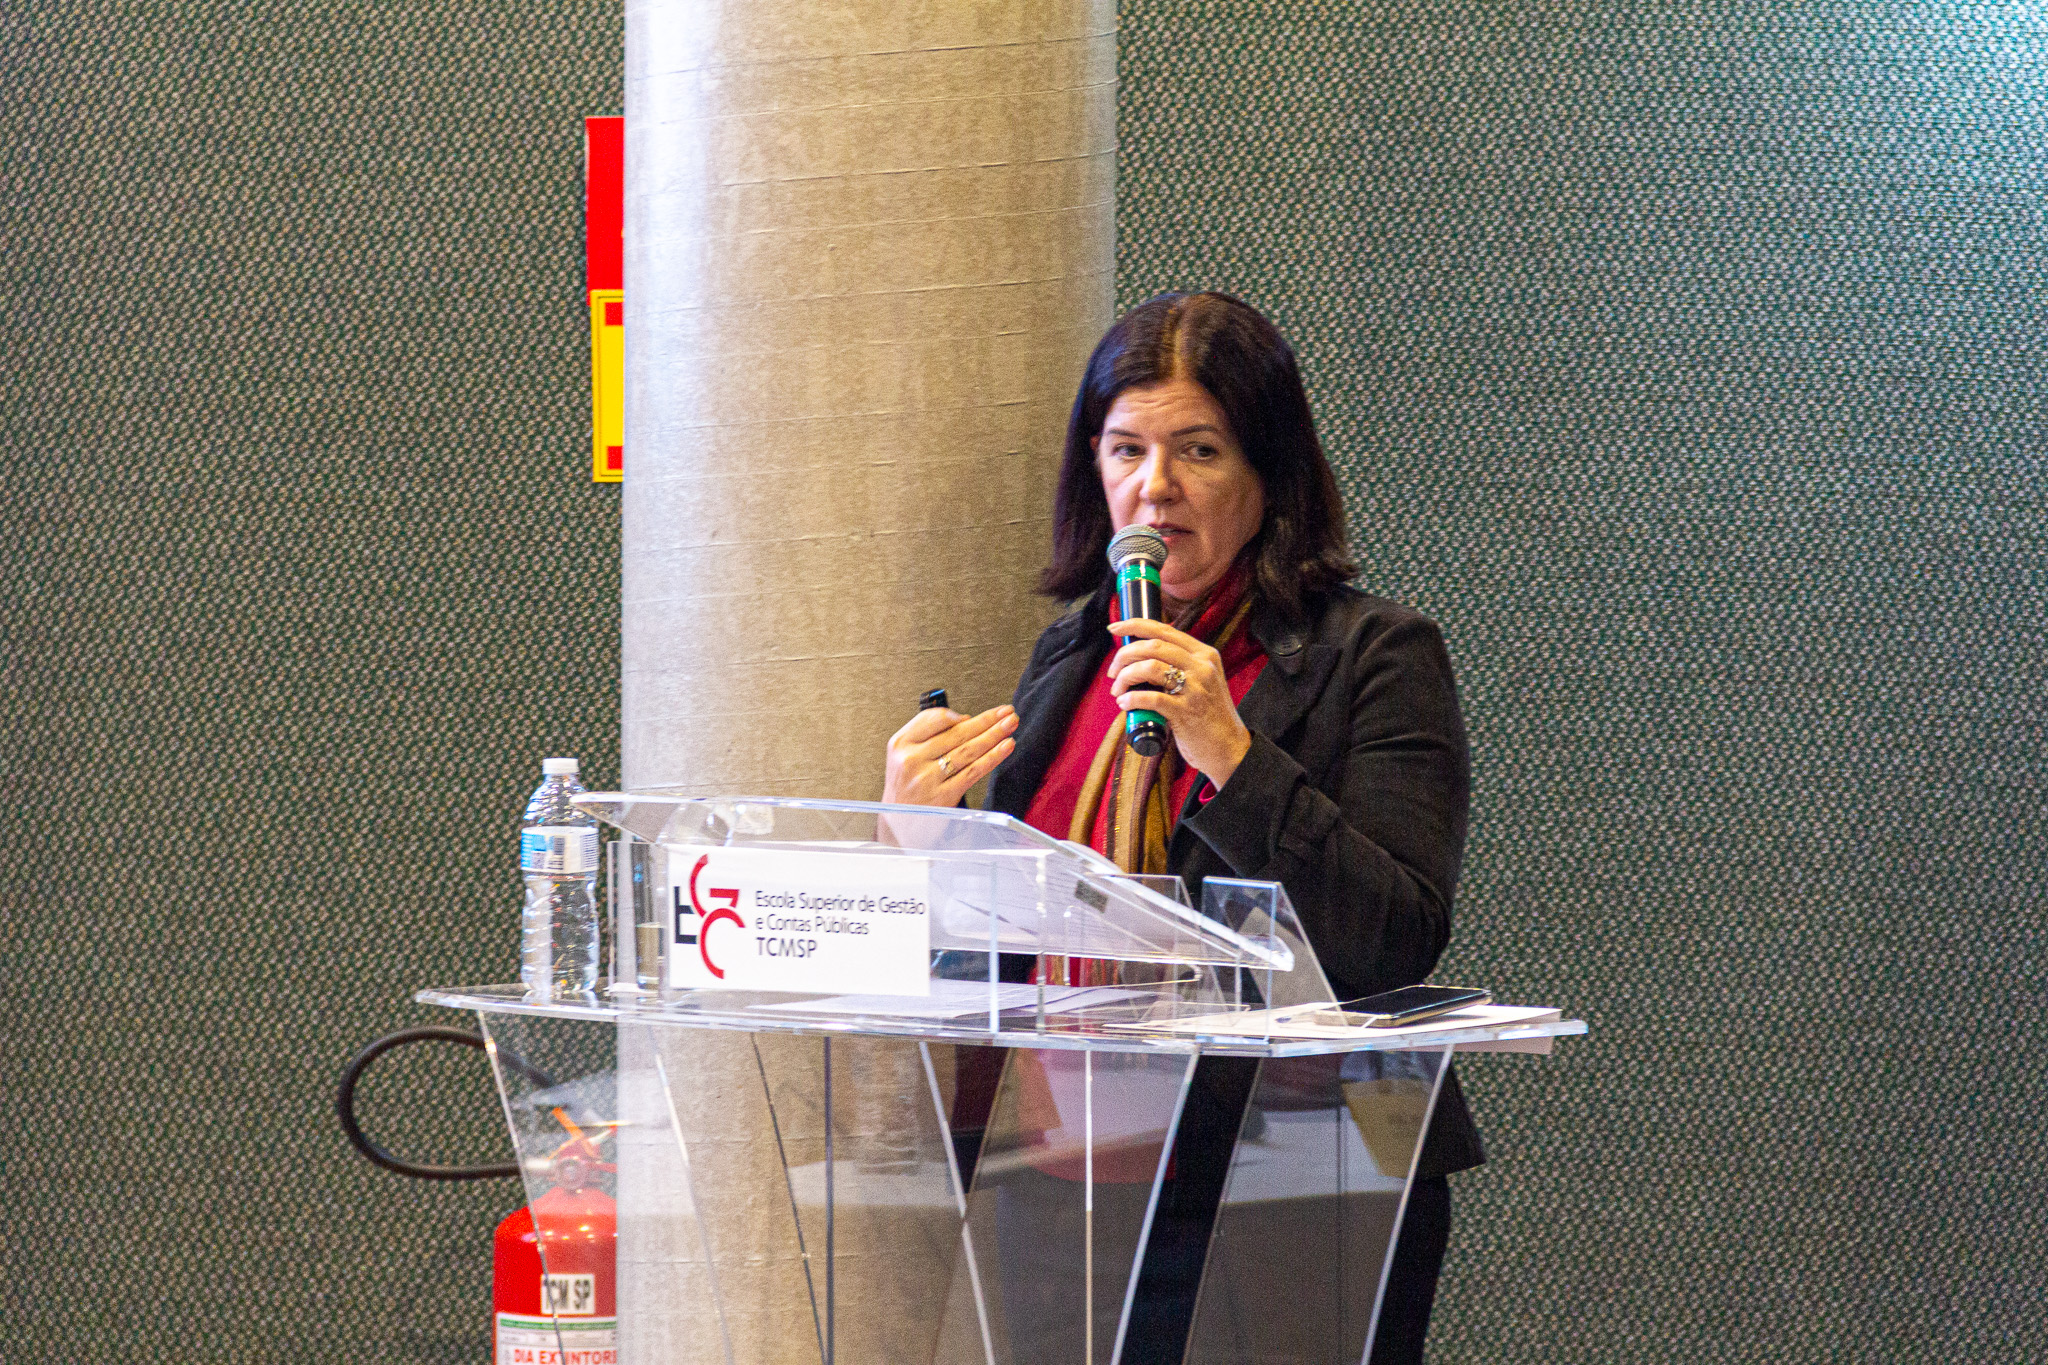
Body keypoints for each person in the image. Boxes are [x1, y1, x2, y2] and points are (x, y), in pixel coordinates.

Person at [882, 291, 1480, 1365]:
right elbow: (1014, 943)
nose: (1154, 486)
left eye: (1197, 450)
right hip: (1059, 1184)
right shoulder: (1071, 659)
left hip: (1291, 1189)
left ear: (1268, 475)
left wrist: (1233, 757)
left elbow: (1391, 935)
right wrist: (924, 850)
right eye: (1126, 450)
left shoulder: (1374, 657)